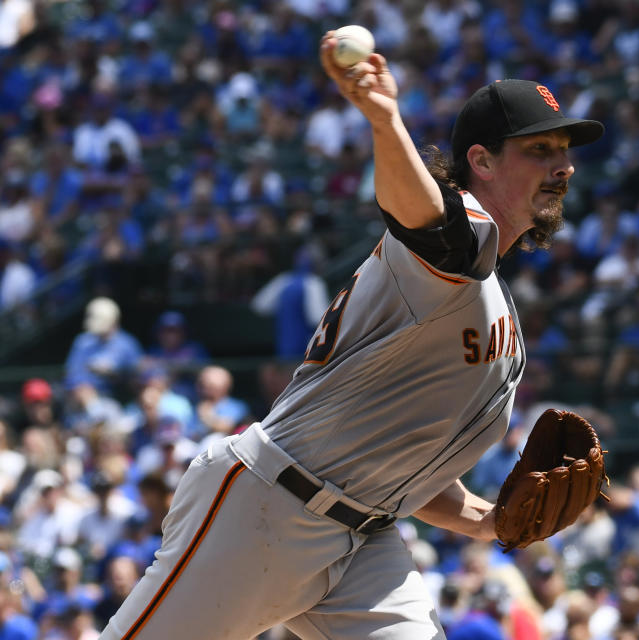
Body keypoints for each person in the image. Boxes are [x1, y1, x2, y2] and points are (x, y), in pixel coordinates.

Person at [100, 32, 603, 640]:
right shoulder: (454, 243)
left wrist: (485, 519)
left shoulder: (488, 298)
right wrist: (385, 121)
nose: (563, 165)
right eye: (541, 148)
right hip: (266, 508)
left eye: (565, 150)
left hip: (365, 538)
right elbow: (422, 217)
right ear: (483, 160)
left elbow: (400, 461)